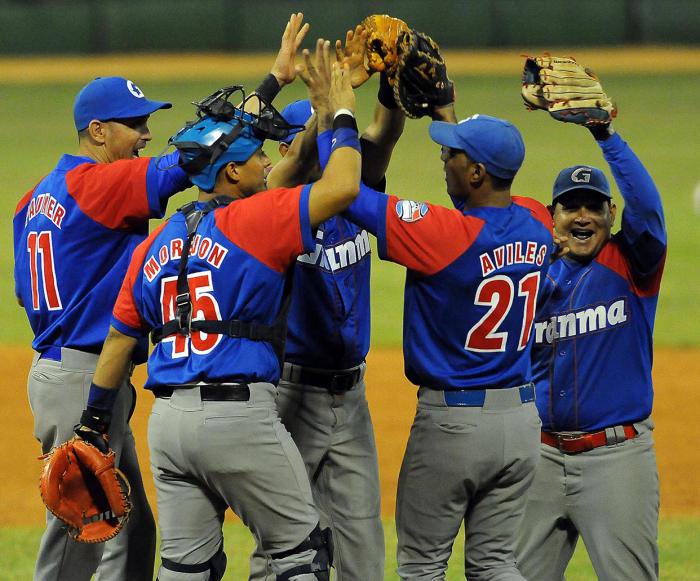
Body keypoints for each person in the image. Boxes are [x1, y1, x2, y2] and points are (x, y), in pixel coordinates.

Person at [72, 49, 364, 580]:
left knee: (186, 569)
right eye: (258, 159)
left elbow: (118, 346)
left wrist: (93, 422)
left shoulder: (156, 243)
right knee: (302, 554)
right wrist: (341, 116)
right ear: (233, 170)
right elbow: (342, 186)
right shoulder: (258, 221)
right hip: (237, 419)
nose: (268, 165)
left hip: (169, 429)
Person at [343, 99, 553, 577]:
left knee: (421, 566)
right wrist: (446, 114)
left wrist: (338, 116)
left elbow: (346, 193)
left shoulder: (444, 236)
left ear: (477, 173)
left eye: (453, 155)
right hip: (520, 422)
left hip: (454, 428)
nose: (443, 157)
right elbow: (479, 204)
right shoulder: (536, 220)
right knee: (495, 563)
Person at [13, 72, 187, 581]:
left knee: (131, 532)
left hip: (61, 369)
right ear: (97, 131)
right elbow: (187, 165)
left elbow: (25, 291)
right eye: (135, 124)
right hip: (79, 380)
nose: (147, 134)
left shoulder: (33, 199)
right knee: (78, 541)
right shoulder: (97, 184)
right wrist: (266, 89)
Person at [250, 31, 406, 581]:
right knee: (282, 552)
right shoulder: (271, 211)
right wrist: (327, 109)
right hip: (293, 396)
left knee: (364, 553)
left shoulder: (358, 195)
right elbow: (278, 173)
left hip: (352, 396)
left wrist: (393, 80)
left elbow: (383, 137)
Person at [514, 113, 666, 579]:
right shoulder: (531, 273)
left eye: (594, 207)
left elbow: (648, 206)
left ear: (610, 215)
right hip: (538, 460)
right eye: (571, 207)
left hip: (616, 462)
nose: (583, 216)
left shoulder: (633, 264)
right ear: (552, 216)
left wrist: (607, 134)